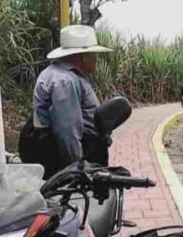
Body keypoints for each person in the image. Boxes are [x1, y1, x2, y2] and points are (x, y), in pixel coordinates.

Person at [18, 25, 112, 179]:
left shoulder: (62, 75)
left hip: (72, 149)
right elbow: (67, 131)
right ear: (81, 56)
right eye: (93, 53)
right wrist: (78, 168)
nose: (96, 57)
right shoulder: (65, 81)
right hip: (66, 155)